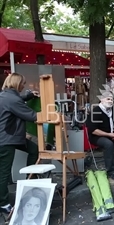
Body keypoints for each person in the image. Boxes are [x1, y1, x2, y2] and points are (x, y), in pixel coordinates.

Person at [0, 73, 39, 215]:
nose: (24, 86)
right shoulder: (12, 99)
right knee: (3, 173)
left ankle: (30, 180)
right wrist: (53, 115)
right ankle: (3, 203)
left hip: (11, 137)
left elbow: (16, 100)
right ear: (17, 83)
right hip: (6, 140)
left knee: (34, 149)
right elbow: (32, 116)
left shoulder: (6, 95)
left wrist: (28, 96)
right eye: (23, 83)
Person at [86, 92, 114, 181]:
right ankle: (111, 171)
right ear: (101, 100)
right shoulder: (96, 111)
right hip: (96, 137)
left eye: (111, 99)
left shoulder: (112, 111)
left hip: (111, 134)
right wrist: (109, 135)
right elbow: (93, 130)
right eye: (108, 99)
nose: (110, 101)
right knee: (108, 144)